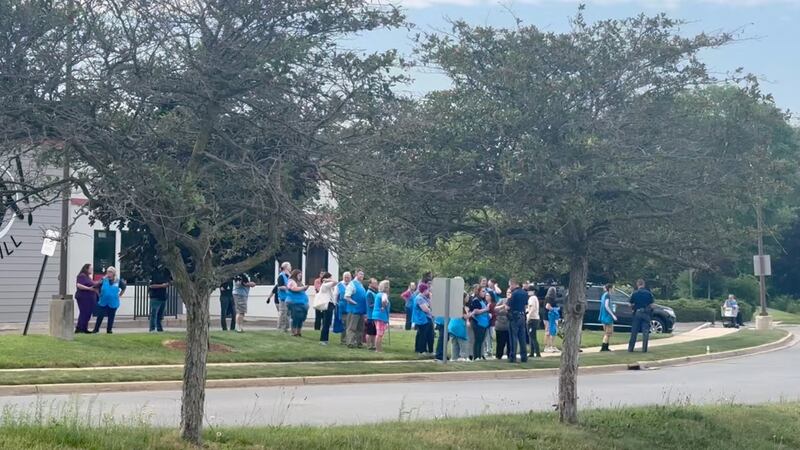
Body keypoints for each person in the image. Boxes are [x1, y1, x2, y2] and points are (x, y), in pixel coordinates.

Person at [92, 266, 126, 334]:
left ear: (113, 273)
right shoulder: (103, 280)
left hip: (113, 302)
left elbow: (124, 288)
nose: (108, 273)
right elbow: (95, 287)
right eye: (108, 272)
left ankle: (109, 330)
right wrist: (99, 294)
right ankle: (96, 329)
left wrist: (120, 295)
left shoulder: (118, 281)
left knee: (111, 316)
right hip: (103, 301)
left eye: (110, 272)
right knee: (100, 316)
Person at [628, 279, 654, 352]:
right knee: (645, 332)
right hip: (645, 313)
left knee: (634, 331)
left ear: (637, 285)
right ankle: (644, 349)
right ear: (644, 284)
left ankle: (630, 349)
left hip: (637, 313)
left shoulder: (634, 293)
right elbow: (652, 305)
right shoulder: (648, 293)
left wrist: (633, 306)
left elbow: (630, 304)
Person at [507, 279, 528, 363]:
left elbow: (508, 307)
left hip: (514, 316)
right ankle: (524, 357)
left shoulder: (513, 294)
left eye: (510, 285)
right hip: (522, 315)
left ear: (513, 284)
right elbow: (526, 305)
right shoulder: (524, 293)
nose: (510, 287)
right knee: (522, 337)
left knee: (513, 337)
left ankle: (513, 356)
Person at [345, 269, 368, 348]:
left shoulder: (360, 285)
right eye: (360, 274)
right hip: (354, 310)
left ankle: (359, 343)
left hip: (361, 310)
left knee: (360, 328)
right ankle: (350, 343)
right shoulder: (352, 284)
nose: (362, 276)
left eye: (363, 274)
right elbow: (347, 297)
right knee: (352, 327)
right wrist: (354, 303)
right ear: (356, 275)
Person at [467, 285, 490, 361]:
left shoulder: (483, 301)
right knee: (477, 340)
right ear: (479, 292)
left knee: (481, 340)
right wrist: (485, 309)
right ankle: (476, 356)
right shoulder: (475, 300)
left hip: (484, 323)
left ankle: (480, 356)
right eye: (482, 291)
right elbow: (475, 311)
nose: (484, 293)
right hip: (477, 323)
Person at [74, 264, 98, 334]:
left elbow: (93, 284)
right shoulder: (82, 276)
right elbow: (79, 285)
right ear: (86, 269)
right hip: (84, 297)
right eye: (90, 268)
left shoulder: (88, 277)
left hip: (90, 298)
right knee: (84, 312)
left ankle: (84, 328)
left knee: (88, 313)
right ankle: (79, 328)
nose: (92, 270)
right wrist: (89, 288)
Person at [285, 269, 309, 336]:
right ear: (295, 275)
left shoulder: (299, 282)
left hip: (302, 302)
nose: (300, 276)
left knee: (301, 317)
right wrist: (303, 288)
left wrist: (305, 288)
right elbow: (294, 288)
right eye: (299, 275)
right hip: (293, 302)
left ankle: (299, 331)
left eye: (301, 275)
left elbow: (301, 289)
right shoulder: (291, 281)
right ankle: (294, 332)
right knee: (296, 317)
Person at [411, 283, 434, 355]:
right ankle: (421, 350)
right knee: (422, 335)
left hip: (427, 319)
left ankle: (429, 350)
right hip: (422, 319)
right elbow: (425, 309)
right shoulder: (419, 298)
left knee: (430, 335)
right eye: (427, 289)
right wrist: (430, 309)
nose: (429, 291)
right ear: (424, 290)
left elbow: (431, 305)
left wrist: (431, 298)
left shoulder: (425, 298)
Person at [316, 272, 338, 345]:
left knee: (327, 322)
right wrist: (328, 280)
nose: (332, 279)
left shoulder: (327, 285)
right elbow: (336, 282)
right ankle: (323, 339)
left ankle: (325, 339)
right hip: (328, 304)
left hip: (330, 304)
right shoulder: (325, 285)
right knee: (326, 322)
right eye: (330, 277)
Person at [148, 268, 170, 333]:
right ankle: (152, 329)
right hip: (155, 297)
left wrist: (167, 284)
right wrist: (162, 286)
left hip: (163, 297)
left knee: (160, 315)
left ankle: (159, 328)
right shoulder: (154, 274)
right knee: (154, 314)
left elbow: (168, 282)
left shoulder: (166, 274)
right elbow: (151, 286)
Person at [373, 280, 391, 353]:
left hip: (376, 315)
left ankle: (378, 348)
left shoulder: (378, 294)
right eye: (387, 286)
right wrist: (383, 307)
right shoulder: (384, 294)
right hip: (381, 316)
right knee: (380, 334)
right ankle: (378, 350)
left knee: (379, 333)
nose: (388, 288)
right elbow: (384, 301)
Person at [334, 272, 352, 345]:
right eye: (345, 277)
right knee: (344, 324)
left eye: (348, 277)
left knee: (350, 324)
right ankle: (343, 340)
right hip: (343, 307)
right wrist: (336, 304)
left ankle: (350, 339)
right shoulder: (339, 285)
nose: (347, 279)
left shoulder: (352, 284)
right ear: (343, 277)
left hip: (351, 306)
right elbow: (335, 295)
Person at [600, 283, 618, 351]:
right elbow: (606, 306)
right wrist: (612, 315)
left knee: (607, 332)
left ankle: (606, 346)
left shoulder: (604, 295)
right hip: (607, 316)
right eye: (613, 288)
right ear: (610, 289)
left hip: (604, 316)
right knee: (608, 332)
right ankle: (604, 347)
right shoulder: (607, 295)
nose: (614, 290)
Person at [276, 262, 292, 333]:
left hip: (289, 298)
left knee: (288, 313)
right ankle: (281, 328)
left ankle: (286, 328)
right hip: (283, 298)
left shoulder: (289, 276)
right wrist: (288, 287)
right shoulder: (281, 276)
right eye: (290, 266)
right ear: (286, 267)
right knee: (283, 313)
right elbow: (279, 286)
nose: (291, 267)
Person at [526, 286, 542, 358]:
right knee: (531, 336)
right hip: (535, 318)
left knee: (532, 336)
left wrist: (529, 316)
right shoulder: (535, 298)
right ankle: (532, 352)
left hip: (532, 319)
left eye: (529, 291)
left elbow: (532, 308)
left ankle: (537, 352)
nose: (528, 292)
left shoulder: (532, 298)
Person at [494, 292, 510, 359]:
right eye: (508, 293)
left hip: (509, 325)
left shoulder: (514, 301)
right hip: (500, 324)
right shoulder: (502, 300)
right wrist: (503, 306)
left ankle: (510, 355)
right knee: (500, 342)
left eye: (510, 293)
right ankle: (498, 355)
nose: (509, 294)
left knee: (509, 342)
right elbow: (495, 309)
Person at [544, 287, 560, 353]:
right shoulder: (549, 299)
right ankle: (547, 346)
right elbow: (547, 306)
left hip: (549, 316)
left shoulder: (548, 298)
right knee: (548, 331)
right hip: (549, 316)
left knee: (553, 331)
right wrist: (554, 309)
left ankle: (552, 346)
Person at [365, 278, 379, 350]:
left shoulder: (375, 292)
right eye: (374, 283)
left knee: (374, 332)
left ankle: (373, 345)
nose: (376, 284)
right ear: (370, 284)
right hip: (370, 315)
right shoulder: (369, 293)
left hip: (374, 315)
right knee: (369, 332)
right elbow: (370, 304)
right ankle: (368, 345)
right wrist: (377, 304)